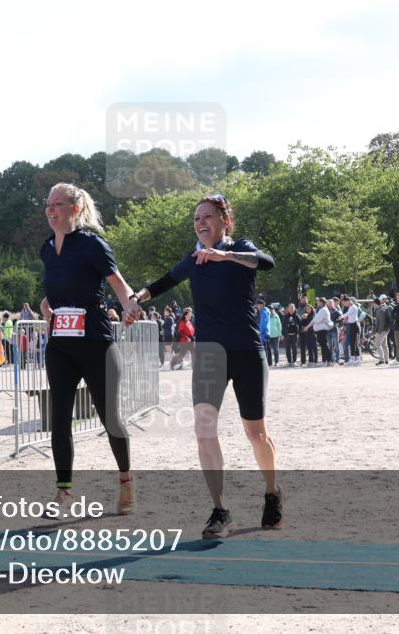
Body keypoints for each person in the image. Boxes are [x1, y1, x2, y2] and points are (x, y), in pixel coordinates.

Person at [131, 194, 281, 538]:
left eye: (208, 217)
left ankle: (272, 493)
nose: (200, 223)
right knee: (203, 433)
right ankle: (220, 510)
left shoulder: (240, 248)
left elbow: (266, 261)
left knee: (256, 434)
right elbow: (163, 282)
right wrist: (135, 299)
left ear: (224, 221)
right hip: (210, 355)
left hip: (246, 352)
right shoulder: (193, 258)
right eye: (196, 218)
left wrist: (225, 255)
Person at [38, 182, 137, 515]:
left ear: (75, 208)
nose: (51, 210)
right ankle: (63, 492)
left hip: (95, 343)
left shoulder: (93, 244)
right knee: (60, 418)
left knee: (110, 417)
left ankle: (126, 482)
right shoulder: (47, 249)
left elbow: (119, 285)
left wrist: (129, 306)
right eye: (48, 205)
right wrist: (47, 304)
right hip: (61, 346)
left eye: (58, 204)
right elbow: (60, 284)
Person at [311, 297, 334, 365]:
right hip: (321, 330)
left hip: (322, 330)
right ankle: (325, 361)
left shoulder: (323, 310)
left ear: (321, 302)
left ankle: (329, 360)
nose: (317, 303)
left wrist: (315, 320)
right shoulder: (322, 309)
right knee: (323, 345)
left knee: (324, 345)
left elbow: (317, 320)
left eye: (318, 302)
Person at [339, 296, 361, 365]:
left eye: (344, 303)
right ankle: (356, 359)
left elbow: (347, 314)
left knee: (353, 343)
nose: (344, 305)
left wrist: (341, 317)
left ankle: (354, 359)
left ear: (348, 301)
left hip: (354, 326)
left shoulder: (353, 307)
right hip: (352, 325)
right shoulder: (351, 307)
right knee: (353, 343)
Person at [372, 295, 393, 365]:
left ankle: (382, 360)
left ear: (375, 303)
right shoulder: (383, 308)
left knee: (377, 344)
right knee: (384, 345)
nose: (373, 305)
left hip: (382, 330)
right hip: (386, 329)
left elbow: (381, 322)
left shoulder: (380, 310)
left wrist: (378, 331)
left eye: (373, 304)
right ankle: (386, 360)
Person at [257, 299, 271, 366]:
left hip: (264, 333)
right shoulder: (266, 311)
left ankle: (265, 363)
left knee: (264, 349)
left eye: (258, 305)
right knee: (267, 349)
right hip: (267, 332)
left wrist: (260, 331)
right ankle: (268, 362)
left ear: (262, 305)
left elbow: (263, 323)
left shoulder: (264, 312)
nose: (257, 307)